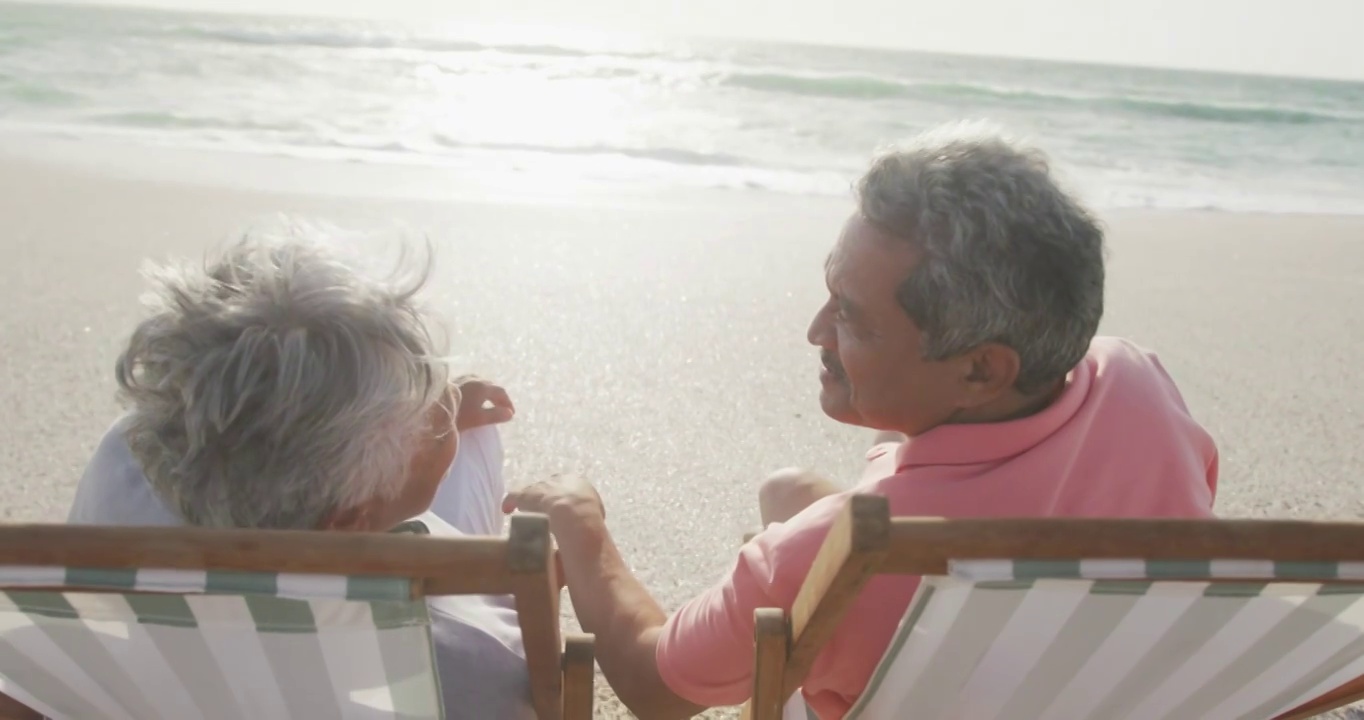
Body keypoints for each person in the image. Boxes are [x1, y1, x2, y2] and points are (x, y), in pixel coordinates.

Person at [503, 121, 1219, 719]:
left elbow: (655, 684)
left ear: (980, 369)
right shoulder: (1134, 379)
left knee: (799, 547)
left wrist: (581, 525)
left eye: (851, 316)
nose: (816, 331)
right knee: (790, 489)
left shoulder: (828, 555)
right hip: (1087, 682)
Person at [62, 233, 534, 719]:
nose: (444, 404)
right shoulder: (467, 663)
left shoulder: (122, 460)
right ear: (352, 523)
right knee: (480, 440)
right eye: (427, 419)